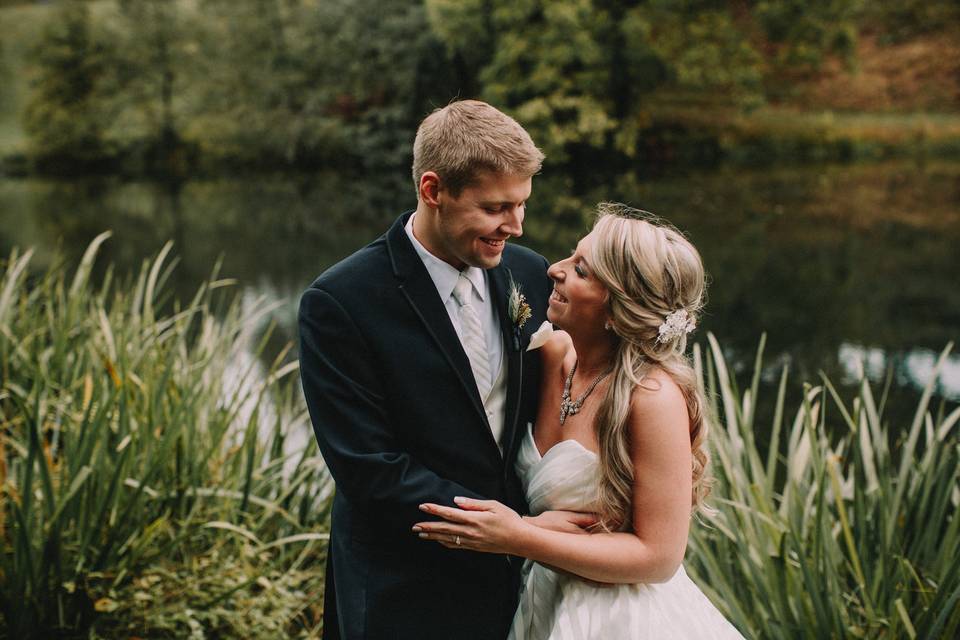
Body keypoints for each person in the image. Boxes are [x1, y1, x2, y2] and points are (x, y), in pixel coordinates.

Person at [299, 100, 570, 639]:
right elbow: (368, 466)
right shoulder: (341, 301)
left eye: (521, 205)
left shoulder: (530, 273)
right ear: (432, 190)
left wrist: (529, 533)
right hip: (404, 583)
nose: (514, 226)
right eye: (495, 208)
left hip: (519, 576)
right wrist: (500, 525)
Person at [414, 203, 745, 639]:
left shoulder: (652, 397)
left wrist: (519, 537)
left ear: (619, 308)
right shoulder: (554, 356)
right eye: (571, 256)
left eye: (582, 271)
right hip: (544, 598)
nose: (554, 269)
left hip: (620, 617)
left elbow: (659, 557)